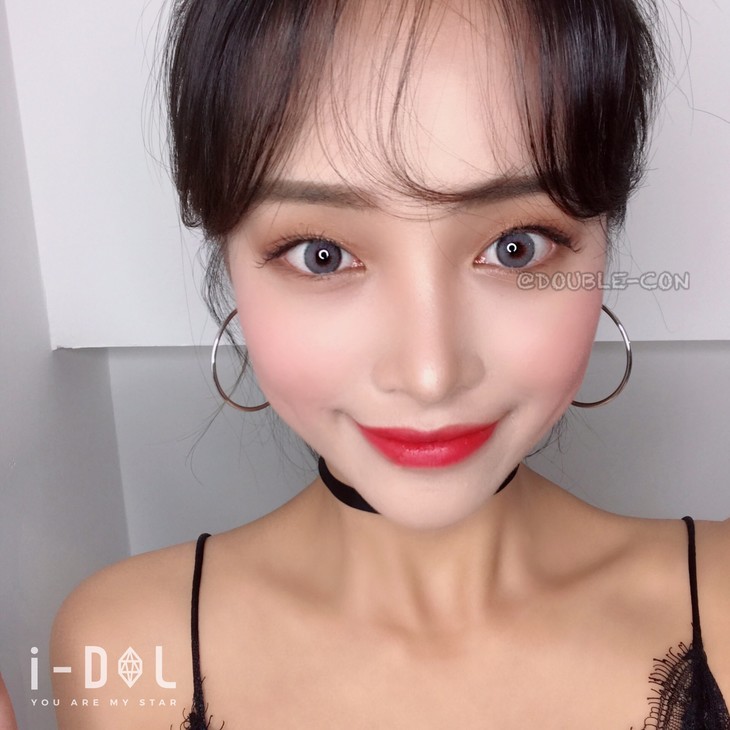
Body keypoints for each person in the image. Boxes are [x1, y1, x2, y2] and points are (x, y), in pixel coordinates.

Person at [51, 0, 730, 728]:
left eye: (516, 247)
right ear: (230, 261)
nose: (430, 375)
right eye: (322, 255)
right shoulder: (121, 648)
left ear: (602, 242)